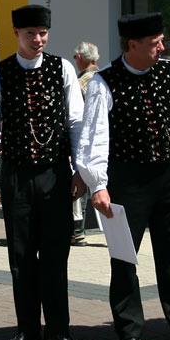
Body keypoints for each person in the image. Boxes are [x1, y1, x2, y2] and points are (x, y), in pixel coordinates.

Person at [76, 14, 170, 340]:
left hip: (166, 178)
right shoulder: (104, 82)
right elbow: (93, 139)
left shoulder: (168, 73)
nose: (162, 48)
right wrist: (98, 185)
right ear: (132, 45)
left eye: (162, 41)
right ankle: (129, 330)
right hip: (126, 182)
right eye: (155, 43)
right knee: (123, 259)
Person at [0, 4, 86, 340]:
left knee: (56, 253)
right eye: (30, 34)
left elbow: (76, 121)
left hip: (54, 173)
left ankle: (59, 330)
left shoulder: (63, 68)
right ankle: (27, 328)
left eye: (42, 33)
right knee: (21, 255)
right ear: (16, 35)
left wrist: (81, 170)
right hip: (16, 174)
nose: (37, 39)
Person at [71, 41, 100, 247]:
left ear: (81, 58)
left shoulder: (81, 82)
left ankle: (77, 230)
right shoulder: (102, 77)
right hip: (102, 138)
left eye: (75, 56)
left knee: (79, 182)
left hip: (85, 138)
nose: (74, 59)